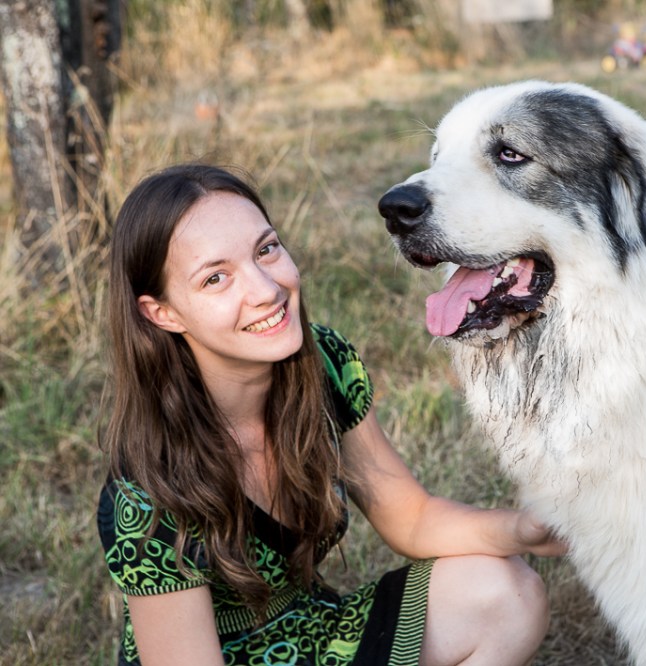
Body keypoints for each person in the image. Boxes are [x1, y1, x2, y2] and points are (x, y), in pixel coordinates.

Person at [97, 163, 566, 666]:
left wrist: (526, 529)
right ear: (161, 312)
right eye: (216, 278)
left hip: (315, 633)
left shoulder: (323, 363)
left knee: (507, 591)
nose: (265, 290)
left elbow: (410, 517)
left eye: (266, 249)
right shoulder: (143, 495)